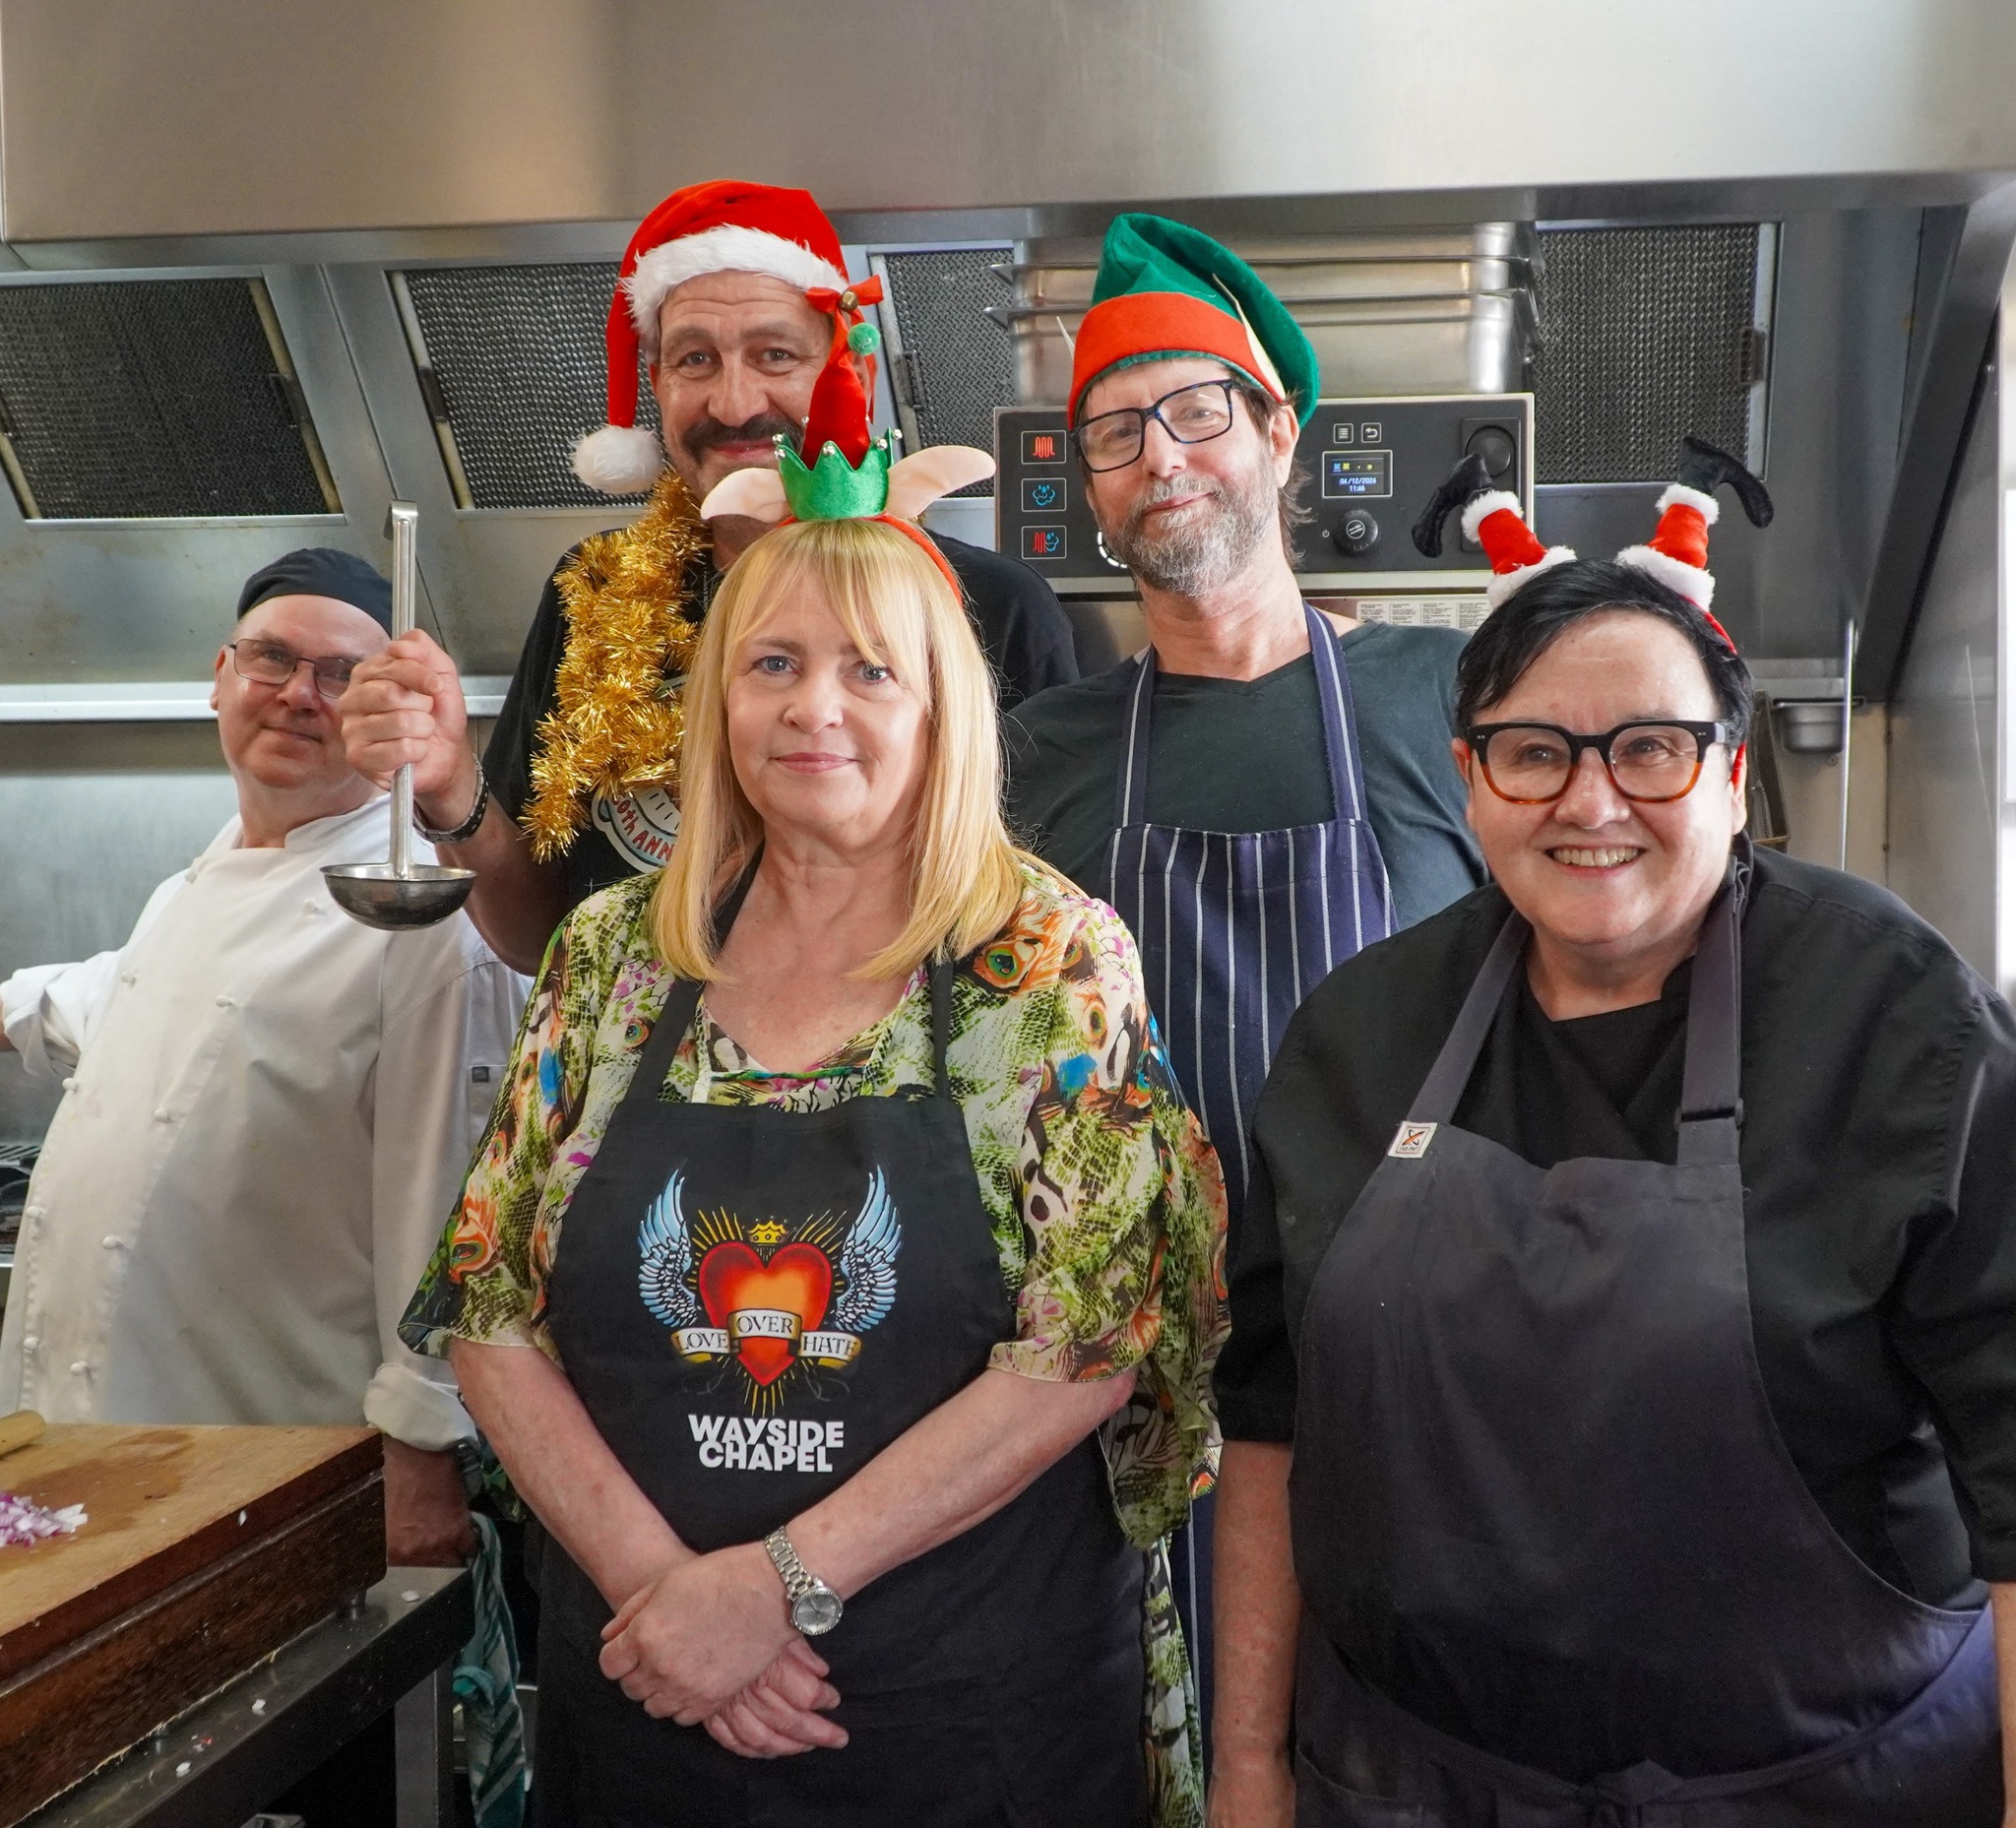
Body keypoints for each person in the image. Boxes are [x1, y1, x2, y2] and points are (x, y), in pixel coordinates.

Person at [400, 357, 1226, 1826]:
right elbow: (485, 1301)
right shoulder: (614, 956)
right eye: (772, 663)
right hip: (650, 1697)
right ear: (720, 700)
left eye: (869, 668)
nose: (813, 708)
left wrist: (781, 1585)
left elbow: (1096, 1335)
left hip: (969, 1721)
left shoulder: (1040, 961)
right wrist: (677, 1600)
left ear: (942, 711)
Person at [1210, 455, 2016, 1825]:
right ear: (1470, 779)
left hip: (1828, 1790)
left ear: (1732, 767)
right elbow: (1271, 1427)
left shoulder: (1900, 1027)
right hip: (1415, 1786)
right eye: (1536, 753)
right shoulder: (1363, 1030)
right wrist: (1245, 1773)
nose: (1591, 803)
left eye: (1650, 747)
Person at [1003, 213, 1485, 1726]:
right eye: (1114, 434)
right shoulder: (1040, 756)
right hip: (1133, 1389)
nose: (1163, 458)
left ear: (1280, 430)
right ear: (1088, 489)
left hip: (1419, 1365)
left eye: (1198, 411)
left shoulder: (1452, 696)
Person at [340, 180, 1078, 976]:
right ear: (654, 384)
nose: (733, 402)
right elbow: (539, 940)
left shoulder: (989, 607)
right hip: (634, 1057)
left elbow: (1035, 921)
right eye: (696, 359)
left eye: (775, 355)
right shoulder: (593, 593)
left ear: (847, 374)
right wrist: (450, 785)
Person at [0, 548, 526, 1565]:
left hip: (267, 1462)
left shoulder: (419, 913)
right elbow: (117, 1006)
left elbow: (454, 1203)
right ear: (218, 674)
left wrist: (420, 1454)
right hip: (88, 1446)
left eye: (343, 676)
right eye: (271, 659)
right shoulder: (197, 882)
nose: (298, 694)